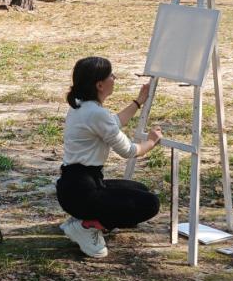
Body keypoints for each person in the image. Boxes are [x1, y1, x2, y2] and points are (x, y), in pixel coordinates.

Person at [58, 56, 162, 258]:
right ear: (99, 84)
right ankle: (87, 225)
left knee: (139, 189)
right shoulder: (96, 114)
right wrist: (151, 141)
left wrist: (138, 101)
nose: (114, 78)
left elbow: (113, 122)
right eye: (111, 75)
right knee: (150, 204)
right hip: (82, 191)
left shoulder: (80, 106)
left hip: (73, 188)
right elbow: (129, 151)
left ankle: (80, 218)